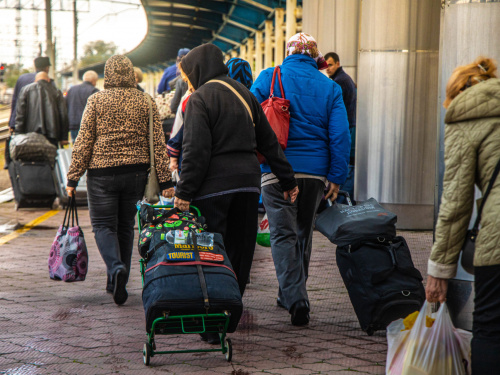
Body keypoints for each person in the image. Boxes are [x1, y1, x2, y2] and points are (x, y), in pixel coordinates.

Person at [172, 44, 298, 342]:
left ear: (198, 70)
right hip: (247, 185)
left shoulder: (199, 99)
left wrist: (184, 191)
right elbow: (269, 142)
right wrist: (288, 180)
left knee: (213, 251)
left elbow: (196, 151)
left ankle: (212, 319)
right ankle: (231, 310)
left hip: (212, 190)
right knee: (241, 251)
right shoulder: (245, 94)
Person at [251, 33, 350, 326]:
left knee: (283, 234)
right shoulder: (330, 86)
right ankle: (292, 293)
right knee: (303, 233)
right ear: (314, 56)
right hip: (315, 175)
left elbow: (252, 121)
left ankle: (296, 299)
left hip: (276, 170)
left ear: (288, 53)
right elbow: (340, 134)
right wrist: (336, 176)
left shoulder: (269, 77)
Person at [65, 55, 174, 306]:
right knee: (125, 226)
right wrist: (166, 182)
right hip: (136, 173)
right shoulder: (145, 100)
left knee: (103, 226)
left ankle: (115, 268)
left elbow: (83, 142)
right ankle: (117, 282)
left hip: (102, 173)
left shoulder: (96, 100)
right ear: (130, 74)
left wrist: (73, 177)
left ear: (108, 75)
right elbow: (158, 143)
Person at [425, 57, 500, 374]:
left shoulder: (463, 117)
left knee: (490, 330)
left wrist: (439, 270)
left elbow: (456, 202)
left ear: (457, 92)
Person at [167, 57, 254, 175]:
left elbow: (191, 143)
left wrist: (173, 157)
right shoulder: (252, 99)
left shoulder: (199, 99)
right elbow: (267, 139)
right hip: (249, 171)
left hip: (213, 172)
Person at [325, 52, 357, 201]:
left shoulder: (340, 82)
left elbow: (336, 112)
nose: (328, 68)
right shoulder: (344, 79)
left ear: (338, 63)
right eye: (326, 65)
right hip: (350, 127)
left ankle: (341, 206)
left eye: (330, 64)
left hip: (348, 128)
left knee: (348, 168)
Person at [14, 71, 69, 147]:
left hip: (31, 136)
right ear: (48, 80)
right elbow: (63, 115)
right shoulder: (56, 91)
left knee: (33, 156)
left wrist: (18, 135)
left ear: (35, 80)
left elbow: (20, 115)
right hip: (52, 136)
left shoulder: (25, 90)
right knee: (51, 156)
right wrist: (64, 137)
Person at [9, 56, 53, 130]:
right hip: (38, 125)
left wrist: (12, 122)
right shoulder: (48, 82)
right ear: (47, 68)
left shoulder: (22, 78)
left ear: (35, 67)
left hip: (19, 122)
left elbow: (14, 101)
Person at [66, 70, 99, 143]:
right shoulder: (94, 91)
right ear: (93, 80)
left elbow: (66, 107)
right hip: (88, 126)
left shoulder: (72, 90)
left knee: (76, 148)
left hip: (73, 125)